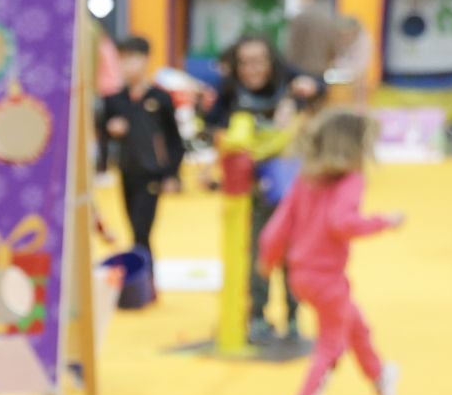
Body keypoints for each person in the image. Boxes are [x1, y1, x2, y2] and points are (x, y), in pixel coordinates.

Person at [257, 109, 404, 395]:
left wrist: (269, 256)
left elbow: (279, 225)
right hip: (327, 279)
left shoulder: (305, 179)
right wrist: (385, 222)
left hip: (301, 274)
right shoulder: (351, 181)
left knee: (355, 324)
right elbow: (342, 223)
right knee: (331, 343)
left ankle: (379, 374)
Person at [205, 35, 326, 343]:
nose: (252, 69)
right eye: (244, 63)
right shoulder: (229, 92)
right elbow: (211, 126)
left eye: (258, 61)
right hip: (250, 189)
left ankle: (293, 316)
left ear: (271, 62)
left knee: (293, 253)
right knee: (256, 251)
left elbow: (317, 85)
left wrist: (304, 92)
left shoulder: (288, 83)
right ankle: (258, 315)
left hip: (290, 186)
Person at [96, 35, 184, 301]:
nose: (127, 65)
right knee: (132, 227)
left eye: (132, 58)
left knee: (141, 230)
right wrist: (111, 134)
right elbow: (103, 135)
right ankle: (141, 284)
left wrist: (171, 173)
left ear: (145, 60)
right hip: (126, 171)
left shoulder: (160, 98)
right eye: (122, 59)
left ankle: (145, 287)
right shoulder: (115, 101)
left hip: (152, 173)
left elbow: (174, 140)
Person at [285, 0, 340, 81]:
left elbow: (291, 49)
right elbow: (333, 47)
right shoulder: (328, 17)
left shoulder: (300, 18)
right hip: (321, 71)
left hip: (300, 72)